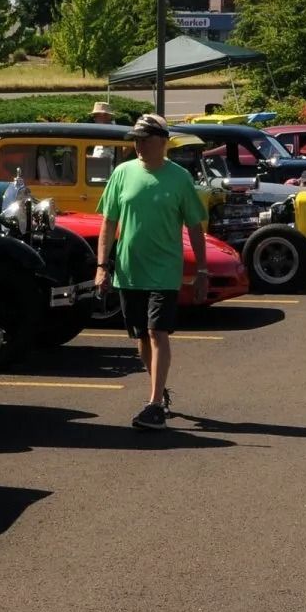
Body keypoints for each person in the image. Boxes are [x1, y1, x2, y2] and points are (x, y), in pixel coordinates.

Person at [94, 114, 207, 431]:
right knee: (141, 337)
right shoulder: (122, 173)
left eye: (144, 139)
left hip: (164, 271)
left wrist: (201, 270)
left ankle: (154, 403)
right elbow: (108, 223)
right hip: (130, 271)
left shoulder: (179, 178)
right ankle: (159, 388)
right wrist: (102, 267)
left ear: (163, 141)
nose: (138, 145)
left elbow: (195, 226)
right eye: (136, 139)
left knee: (158, 332)